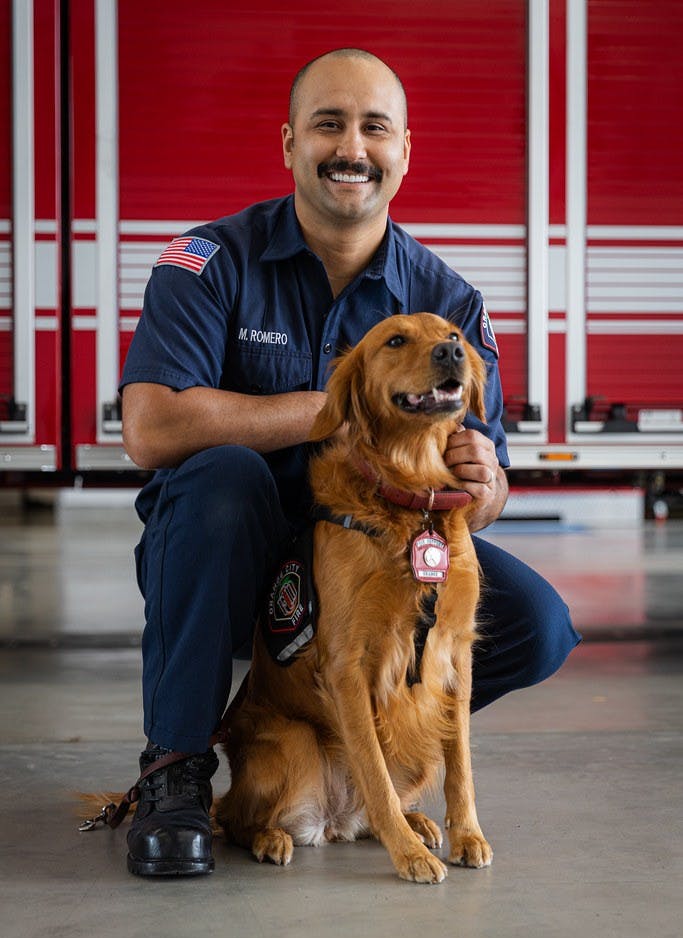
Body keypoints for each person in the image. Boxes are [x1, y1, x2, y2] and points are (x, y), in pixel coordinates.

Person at [119, 48, 580, 878]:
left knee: (537, 624)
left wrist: (485, 484)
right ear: (289, 142)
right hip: (239, 552)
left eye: (374, 128)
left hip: (384, 541)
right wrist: (338, 408)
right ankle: (176, 769)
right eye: (328, 124)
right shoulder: (207, 261)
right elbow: (149, 429)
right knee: (221, 483)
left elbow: (484, 483)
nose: (351, 148)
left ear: (404, 149)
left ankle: (357, 743)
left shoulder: (450, 304)